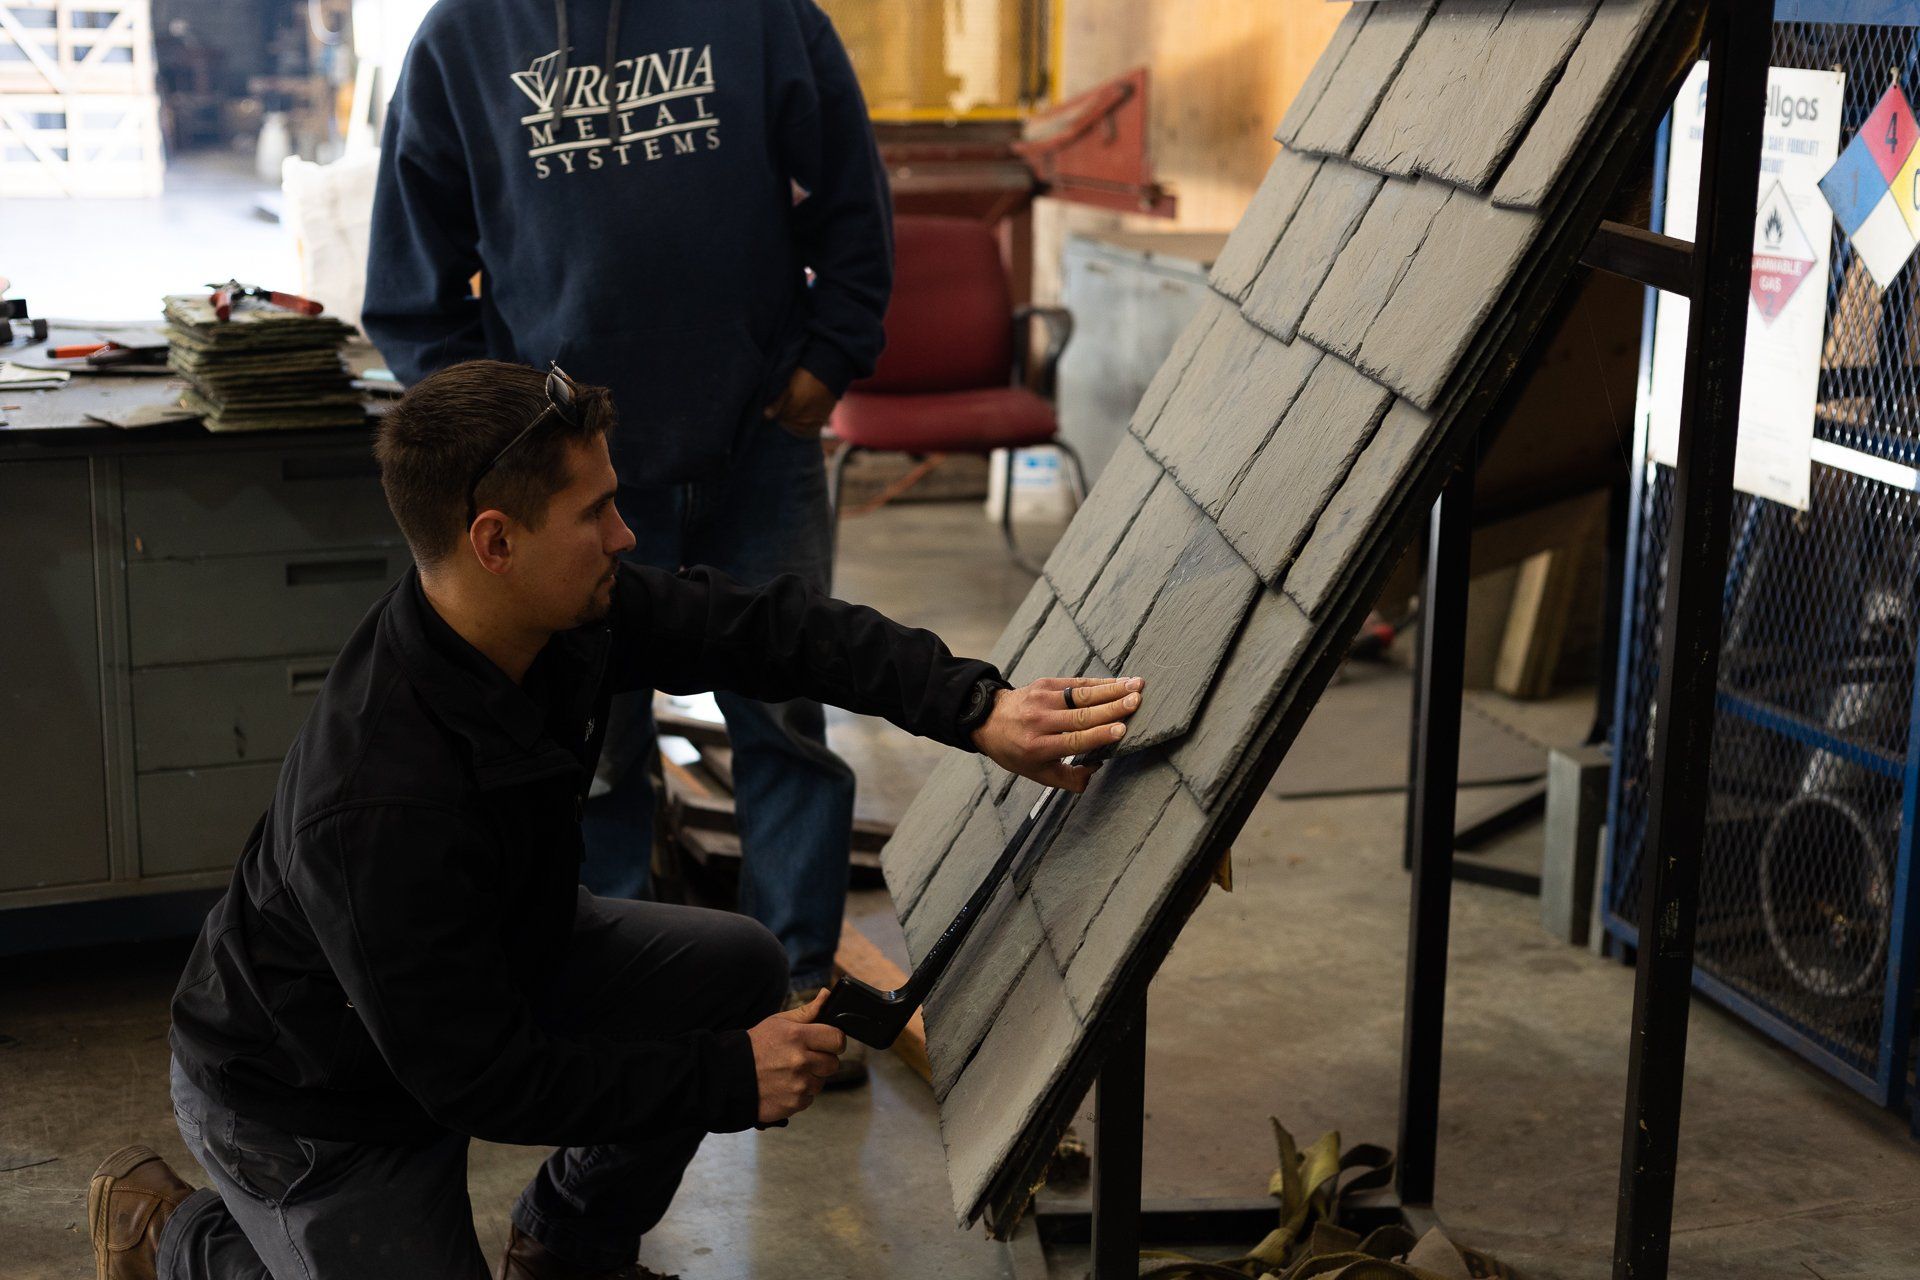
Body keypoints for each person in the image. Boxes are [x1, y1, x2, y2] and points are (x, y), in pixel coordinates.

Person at [86, 362, 1143, 1280]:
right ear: (495, 540)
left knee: (731, 966)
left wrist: (976, 705)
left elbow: (772, 630)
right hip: (315, 1098)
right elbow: (479, 1076)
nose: (625, 533)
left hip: (503, 961)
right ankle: (173, 1229)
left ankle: (567, 1245)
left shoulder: (555, 619)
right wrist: (725, 1075)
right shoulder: (378, 797)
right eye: (594, 512)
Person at [361, 0, 895, 1084]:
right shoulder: (464, 39)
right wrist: (516, 445)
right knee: (584, 748)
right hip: (571, 483)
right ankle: (606, 1000)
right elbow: (412, 293)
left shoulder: (762, 16)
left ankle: (797, 987)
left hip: (757, 442)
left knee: (784, 718)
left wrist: (830, 351)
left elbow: (852, 197)